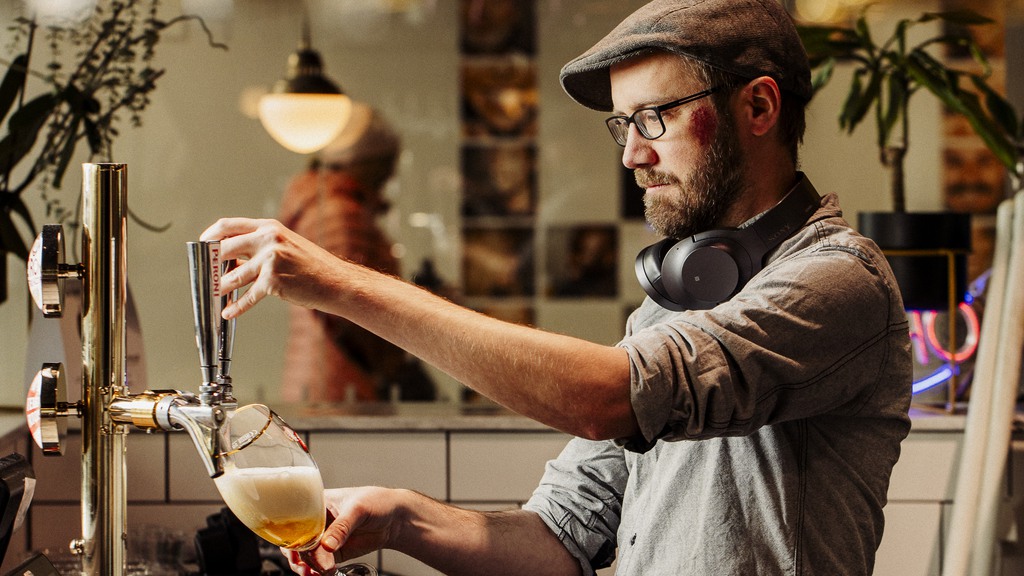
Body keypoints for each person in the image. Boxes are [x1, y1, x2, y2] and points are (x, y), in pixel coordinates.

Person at [202, 0, 912, 574]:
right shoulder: (670, 306)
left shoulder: (839, 284)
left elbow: (607, 399)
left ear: (758, 109)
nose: (632, 154)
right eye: (623, 125)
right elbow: (560, 537)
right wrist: (398, 518)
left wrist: (340, 283)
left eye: (653, 118)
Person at [277, 102, 435, 403]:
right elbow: (346, 302)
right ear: (365, 162)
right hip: (341, 382)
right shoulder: (339, 212)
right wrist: (388, 362)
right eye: (386, 161)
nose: (390, 172)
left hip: (327, 374)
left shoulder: (330, 205)